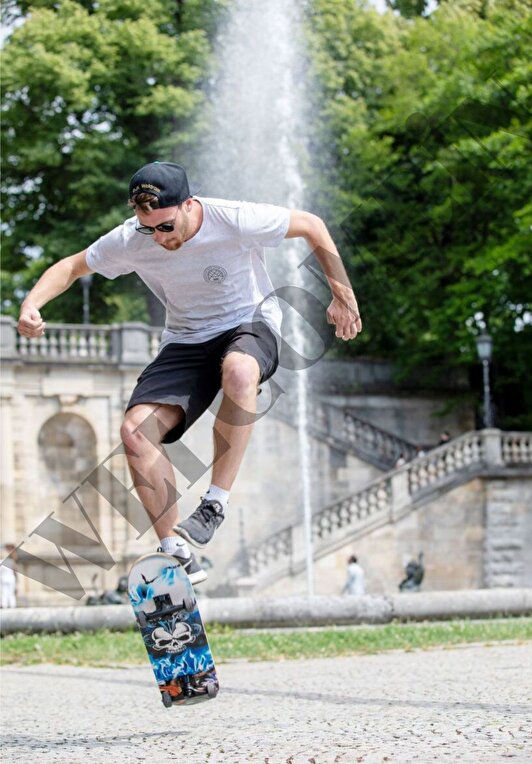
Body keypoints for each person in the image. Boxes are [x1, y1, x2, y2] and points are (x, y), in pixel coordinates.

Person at [17, 161, 362, 585]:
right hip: (185, 340)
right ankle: (175, 552)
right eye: (148, 228)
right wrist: (31, 304)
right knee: (136, 432)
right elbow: (70, 266)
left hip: (248, 323)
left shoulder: (231, 218)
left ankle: (214, 503)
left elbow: (312, 225)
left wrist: (342, 296)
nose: (158, 238)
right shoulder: (132, 238)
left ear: (188, 205)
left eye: (165, 226)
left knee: (238, 369)